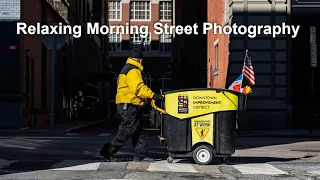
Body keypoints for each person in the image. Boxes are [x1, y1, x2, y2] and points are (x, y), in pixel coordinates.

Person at [99, 48, 163, 162]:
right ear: (141, 61)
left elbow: (132, 90)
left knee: (138, 130)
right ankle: (108, 151)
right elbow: (138, 88)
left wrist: (145, 102)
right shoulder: (133, 70)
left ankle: (141, 155)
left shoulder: (126, 69)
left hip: (129, 105)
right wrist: (153, 95)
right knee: (126, 130)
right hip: (128, 106)